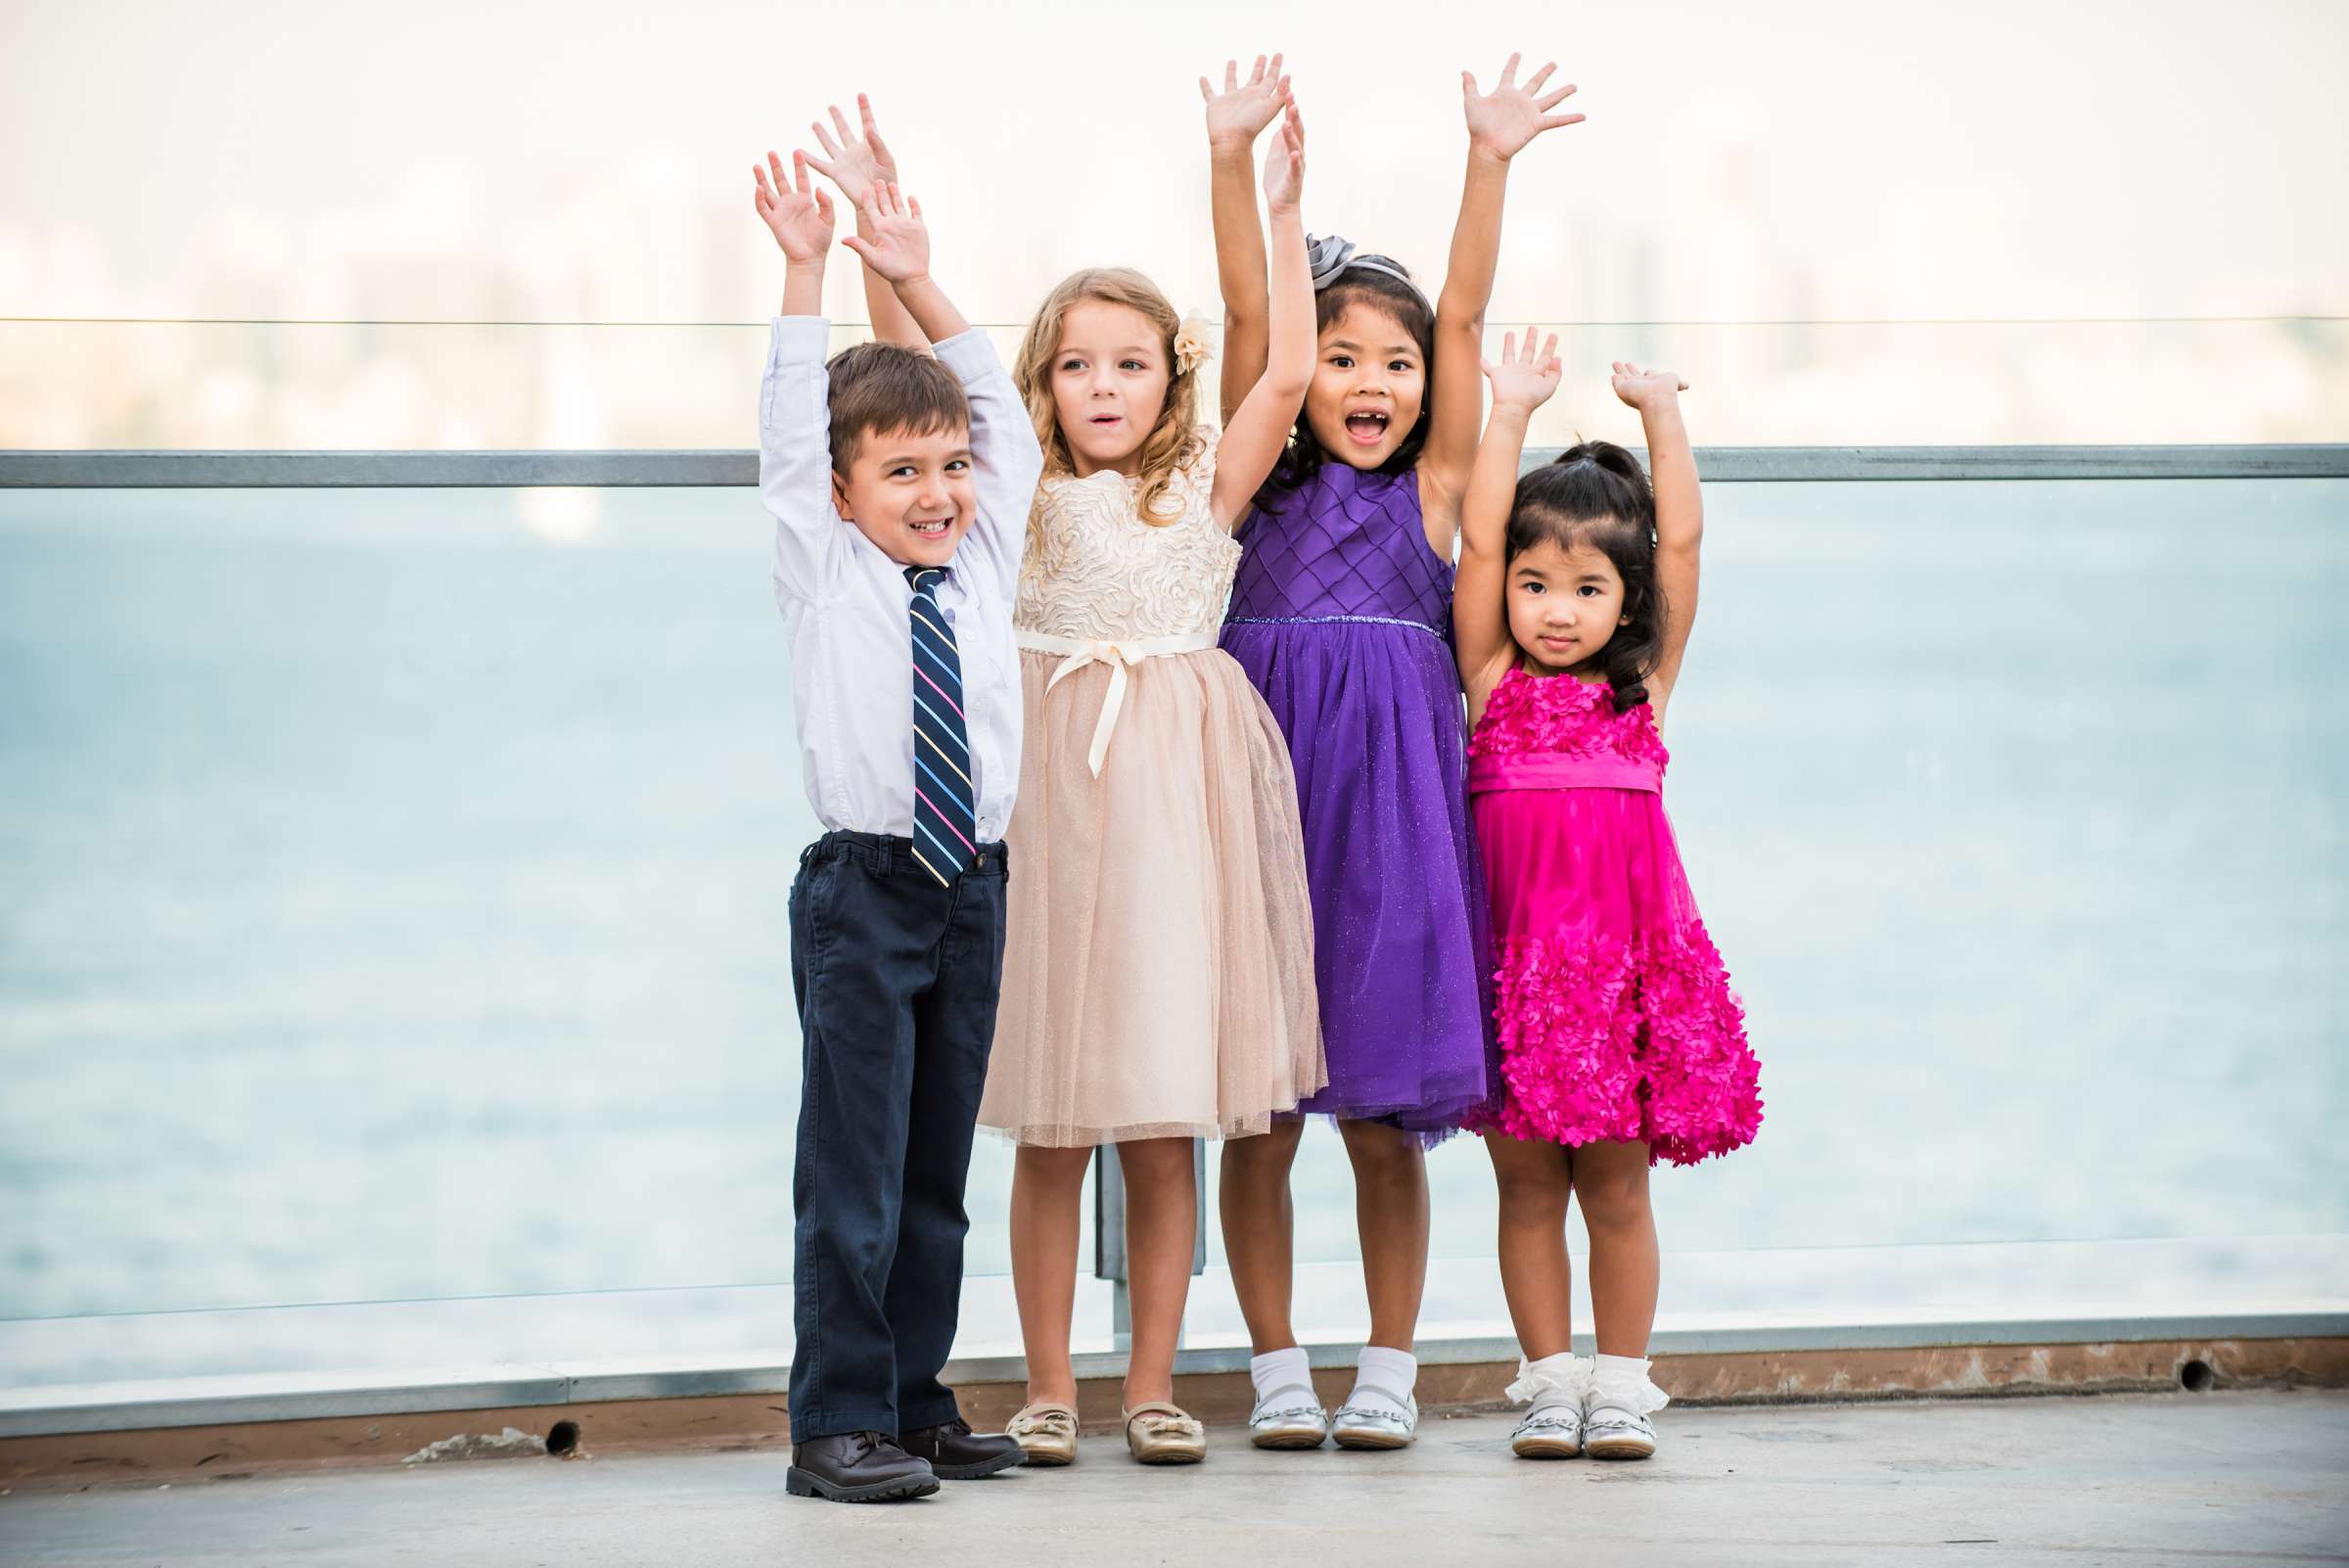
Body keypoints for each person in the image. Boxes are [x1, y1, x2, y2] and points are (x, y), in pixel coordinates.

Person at [750, 135, 1041, 1502]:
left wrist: (915, 278)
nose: (935, 492)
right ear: (844, 489)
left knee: (935, 1171)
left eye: (947, 465)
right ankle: (834, 1423)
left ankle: (916, 1400)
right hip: (864, 894)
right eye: (902, 472)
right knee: (853, 1172)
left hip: (973, 886)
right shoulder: (824, 567)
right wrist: (810, 269)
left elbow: (1002, 409)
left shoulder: (981, 556)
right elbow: (787, 423)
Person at [1452, 330, 1765, 1461]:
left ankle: (1624, 1383)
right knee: (1526, 1187)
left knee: (1620, 1192)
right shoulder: (1486, 682)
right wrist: (1510, 413)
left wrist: (1661, 416)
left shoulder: (1644, 689)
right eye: (1536, 586)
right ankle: (1547, 1382)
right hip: (1517, 974)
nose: (1554, 609)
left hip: (1623, 978)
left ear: (1625, 601)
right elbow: (1479, 533)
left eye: (1587, 589)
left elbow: (1680, 536)